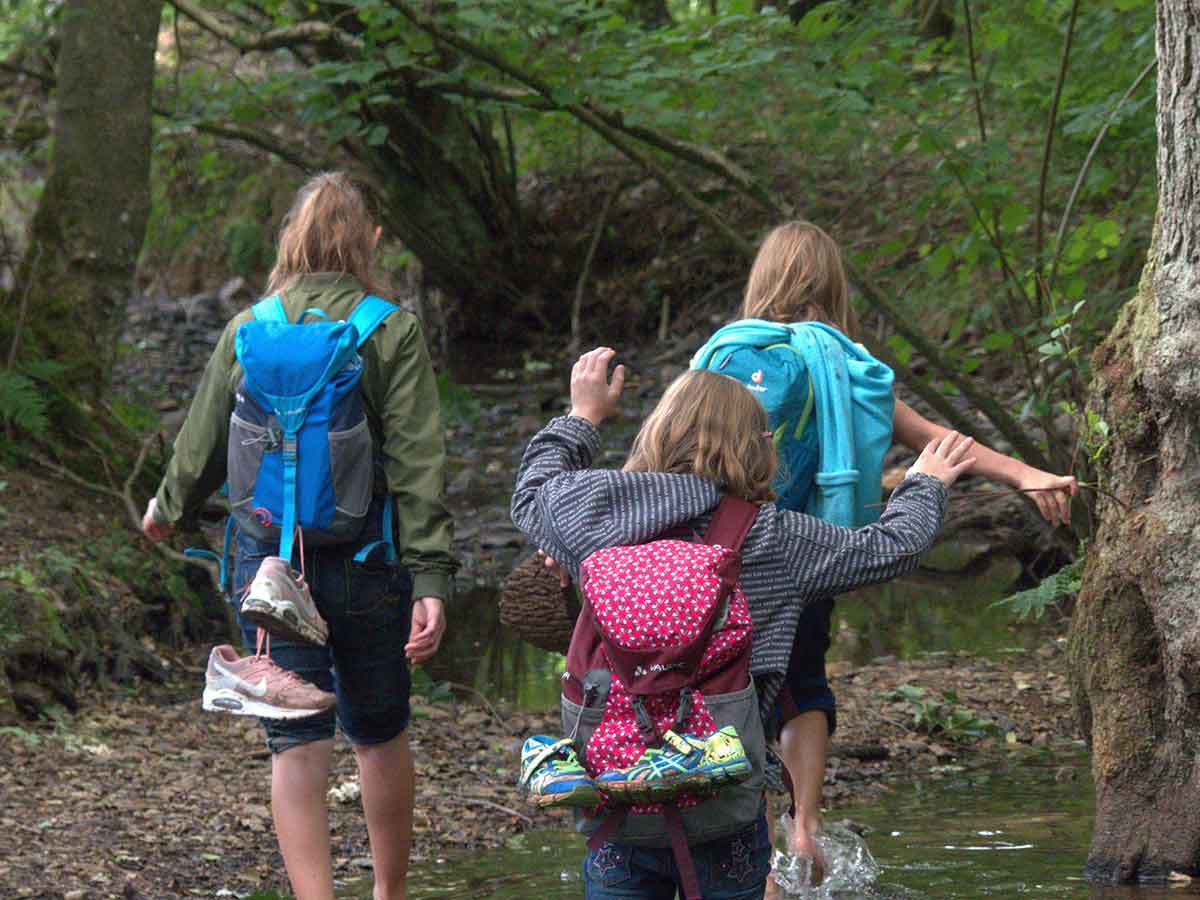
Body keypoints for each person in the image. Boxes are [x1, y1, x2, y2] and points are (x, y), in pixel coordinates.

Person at [511, 346, 977, 899]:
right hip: (724, 795)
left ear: (656, 433)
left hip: (617, 788)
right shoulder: (771, 536)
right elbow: (890, 548)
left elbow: (531, 490)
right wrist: (924, 483)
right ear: (760, 448)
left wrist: (582, 415)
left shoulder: (585, 511)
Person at [692, 220, 1078, 883]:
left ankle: (751, 843)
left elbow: (671, 456)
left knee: (728, 688)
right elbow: (942, 443)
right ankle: (805, 825)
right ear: (834, 285)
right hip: (813, 555)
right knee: (804, 685)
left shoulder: (725, 358)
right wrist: (1024, 473)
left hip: (724, 558)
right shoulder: (845, 366)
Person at [141, 171, 455, 900]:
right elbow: (417, 462)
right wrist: (432, 576)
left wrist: (167, 508)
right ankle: (388, 895)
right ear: (368, 241)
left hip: (268, 567)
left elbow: (201, 445)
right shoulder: (390, 329)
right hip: (370, 564)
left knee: (296, 741)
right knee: (378, 733)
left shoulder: (248, 327)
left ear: (292, 242)